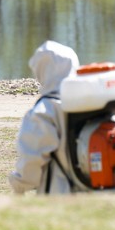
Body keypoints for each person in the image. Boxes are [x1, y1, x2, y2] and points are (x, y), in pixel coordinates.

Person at [8, 40, 79, 195]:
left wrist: (18, 185)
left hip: (60, 196)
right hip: (98, 191)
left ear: (42, 71)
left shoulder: (44, 112)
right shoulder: (90, 102)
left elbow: (31, 163)